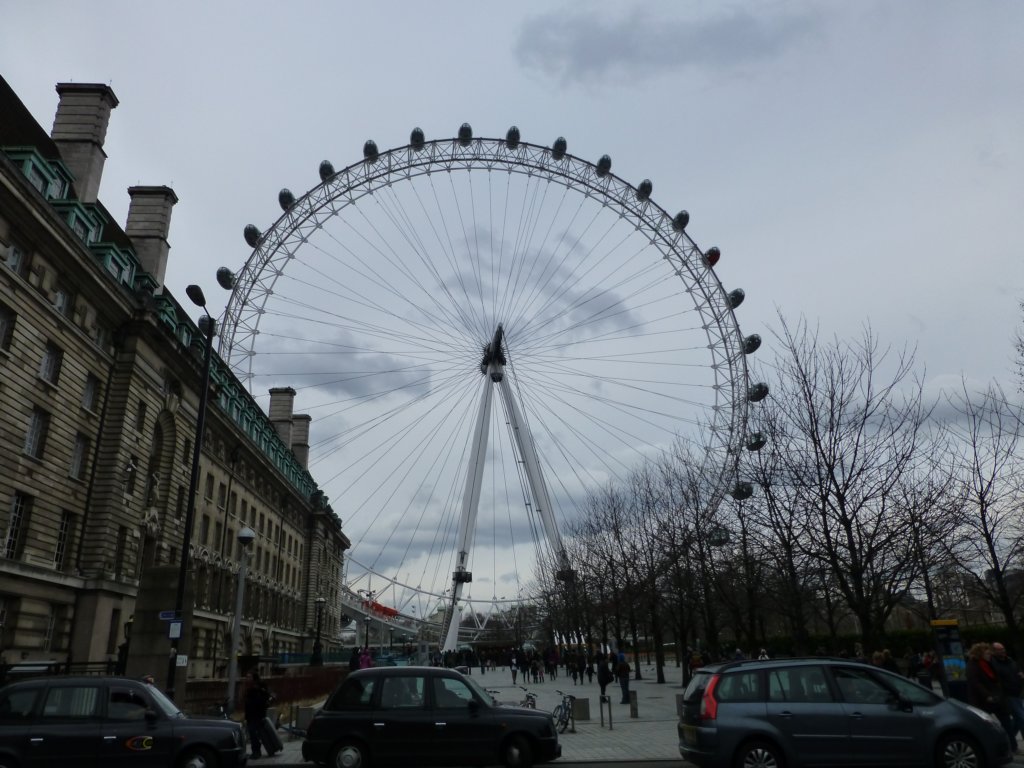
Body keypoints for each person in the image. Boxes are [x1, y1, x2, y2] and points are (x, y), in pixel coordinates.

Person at [966, 642, 1014, 752]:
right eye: (987, 654)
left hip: (996, 697)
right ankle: (989, 747)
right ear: (980, 654)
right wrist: (987, 695)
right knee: (984, 725)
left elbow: (996, 677)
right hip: (982, 700)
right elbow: (975, 683)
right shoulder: (973, 665)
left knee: (1007, 721)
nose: (989, 655)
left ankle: (1012, 745)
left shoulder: (990, 662)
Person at [991, 643, 1024, 752]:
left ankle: (1008, 738)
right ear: (994, 651)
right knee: (1021, 717)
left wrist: (1020, 675)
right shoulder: (994, 663)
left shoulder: (1010, 660)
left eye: (1003, 649)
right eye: (999, 650)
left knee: (1017, 719)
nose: (1002, 651)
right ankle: (1009, 739)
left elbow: (1017, 669)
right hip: (1007, 694)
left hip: (1016, 693)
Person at [243, 672, 273, 759]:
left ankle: (256, 752)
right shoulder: (249, 688)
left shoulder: (259, 688)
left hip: (257, 714)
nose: (247, 678)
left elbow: (266, 698)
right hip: (250, 714)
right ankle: (255, 751)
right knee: (253, 733)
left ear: (253, 678)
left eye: (249, 676)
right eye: (246, 677)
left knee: (253, 733)